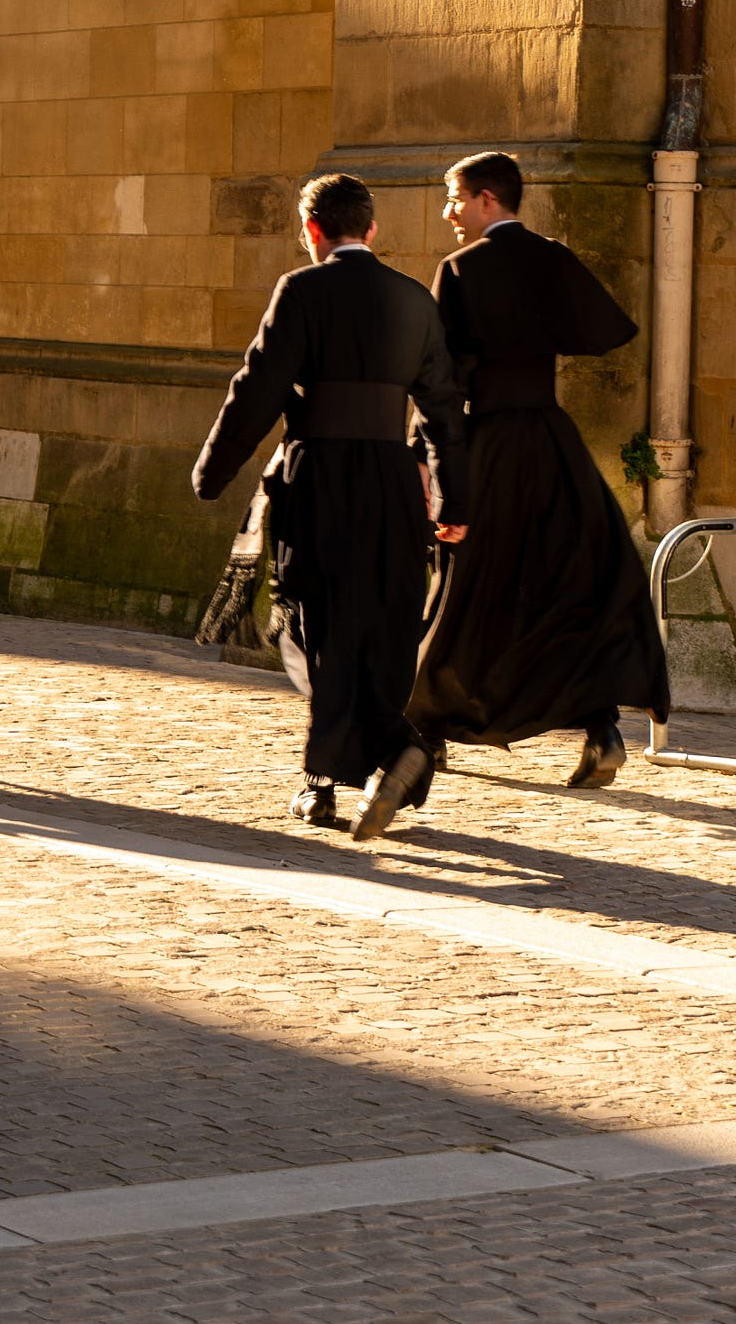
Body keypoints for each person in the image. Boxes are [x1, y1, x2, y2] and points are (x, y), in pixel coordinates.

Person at [193, 173, 469, 842]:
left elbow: (256, 387)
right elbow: (443, 410)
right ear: (371, 229)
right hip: (393, 485)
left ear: (312, 230)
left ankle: (353, 768)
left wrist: (213, 470)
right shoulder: (413, 298)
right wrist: (456, 498)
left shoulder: (302, 289)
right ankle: (361, 763)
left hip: (319, 479)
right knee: (381, 625)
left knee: (316, 626)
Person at [408, 151, 669, 785]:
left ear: (487, 199)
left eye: (455, 198)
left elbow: (440, 378)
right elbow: (604, 329)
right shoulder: (552, 257)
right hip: (552, 442)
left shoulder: (461, 268)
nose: (448, 212)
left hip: (490, 442)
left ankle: (425, 731)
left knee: (465, 588)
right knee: (567, 582)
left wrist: (423, 452)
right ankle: (601, 730)